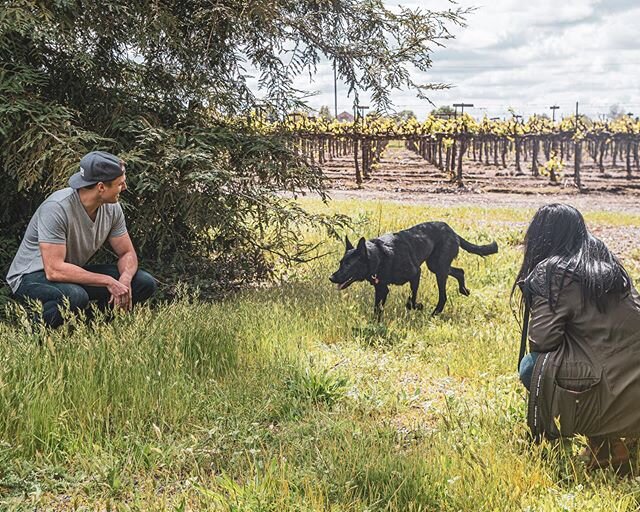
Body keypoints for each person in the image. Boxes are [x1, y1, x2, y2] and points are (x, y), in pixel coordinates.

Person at [513, 203, 640, 471]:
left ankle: (605, 444)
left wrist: (538, 296)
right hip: (633, 382)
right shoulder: (605, 261)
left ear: (539, 237)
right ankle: (615, 439)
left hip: (607, 384)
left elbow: (543, 342)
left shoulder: (552, 272)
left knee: (531, 366)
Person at [6, 151, 157, 328]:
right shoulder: (56, 208)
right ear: (101, 187)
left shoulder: (113, 208)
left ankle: (89, 330)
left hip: (69, 272)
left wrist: (124, 279)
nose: (124, 188)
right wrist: (108, 281)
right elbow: (54, 270)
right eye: (120, 184)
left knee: (143, 283)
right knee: (75, 296)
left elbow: (126, 253)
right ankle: (31, 338)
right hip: (30, 276)